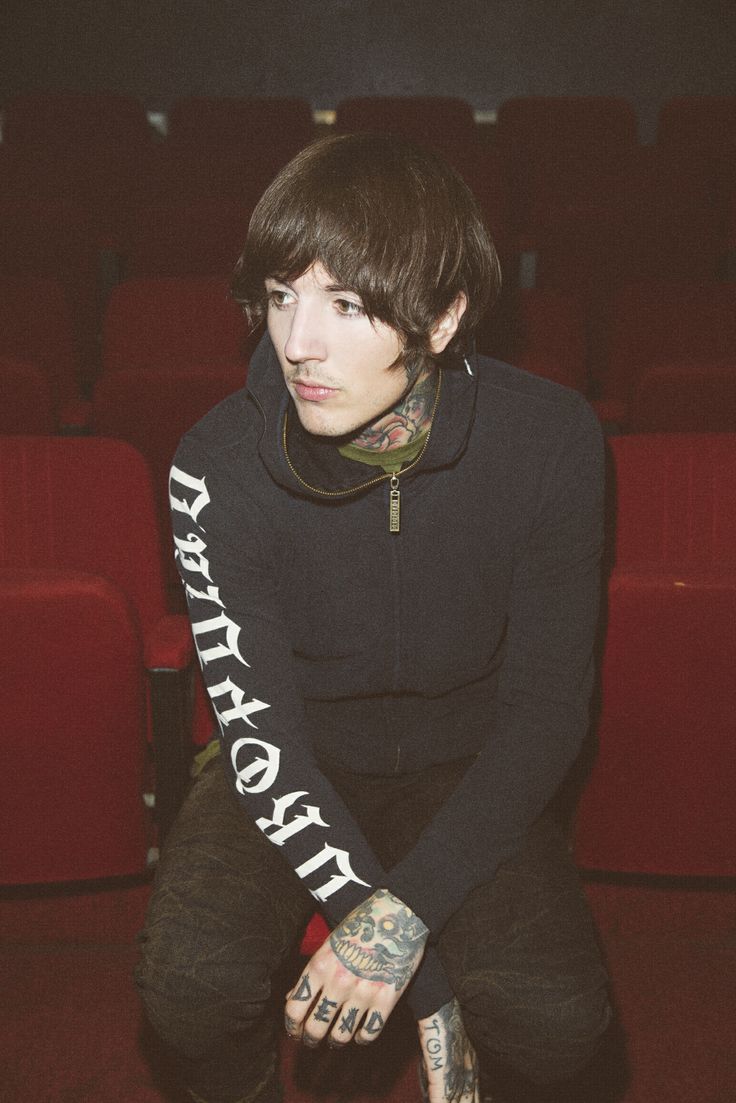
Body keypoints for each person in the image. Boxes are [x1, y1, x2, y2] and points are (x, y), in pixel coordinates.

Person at [135, 132, 612, 1103]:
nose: (296, 341)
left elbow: (545, 710)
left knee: (559, 1021)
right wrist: (427, 983)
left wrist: (405, 905)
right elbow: (261, 737)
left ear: (440, 317)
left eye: (343, 305)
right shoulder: (215, 464)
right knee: (186, 985)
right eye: (280, 295)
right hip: (298, 747)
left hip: (468, 755)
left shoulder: (550, 441)